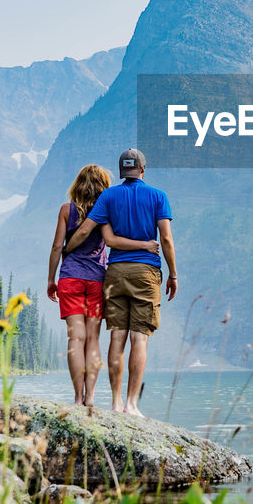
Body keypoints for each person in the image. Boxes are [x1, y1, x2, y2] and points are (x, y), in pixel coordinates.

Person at [63, 148, 176, 416]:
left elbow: (86, 230)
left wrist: (68, 249)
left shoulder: (109, 195)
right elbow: (167, 240)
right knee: (139, 338)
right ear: (143, 170)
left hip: (114, 272)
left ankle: (114, 402)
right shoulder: (158, 196)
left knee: (117, 336)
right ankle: (131, 405)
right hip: (146, 273)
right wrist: (173, 274)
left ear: (122, 171)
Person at [47, 164, 159, 406]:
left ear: (77, 185)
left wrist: (51, 278)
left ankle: (77, 398)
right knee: (93, 339)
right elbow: (110, 240)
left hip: (70, 278)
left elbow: (57, 247)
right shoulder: (105, 210)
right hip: (98, 279)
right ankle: (91, 397)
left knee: (76, 339)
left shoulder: (66, 210)